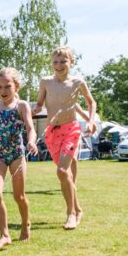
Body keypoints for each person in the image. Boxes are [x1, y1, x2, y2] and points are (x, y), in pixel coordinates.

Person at [32, 46, 96, 230]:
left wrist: (90, 121)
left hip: (71, 130)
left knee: (62, 171)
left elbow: (91, 102)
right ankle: (78, 208)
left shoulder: (77, 82)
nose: (59, 65)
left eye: (63, 61)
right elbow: (39, 103)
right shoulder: (45, 82)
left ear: (71, 62)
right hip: (52, 131)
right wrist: (35, 109)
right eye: (55, 62)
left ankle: (71, 214)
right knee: (65, 175)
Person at [0, 68, 37, 251]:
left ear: (16, 86)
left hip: (17, 155)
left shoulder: (21, 105)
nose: (3, 91)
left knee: (19, 196)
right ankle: (4, 235)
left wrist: (32, 142)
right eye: (0, 87)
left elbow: (30, 127)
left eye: (8, 87)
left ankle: (25, 223)